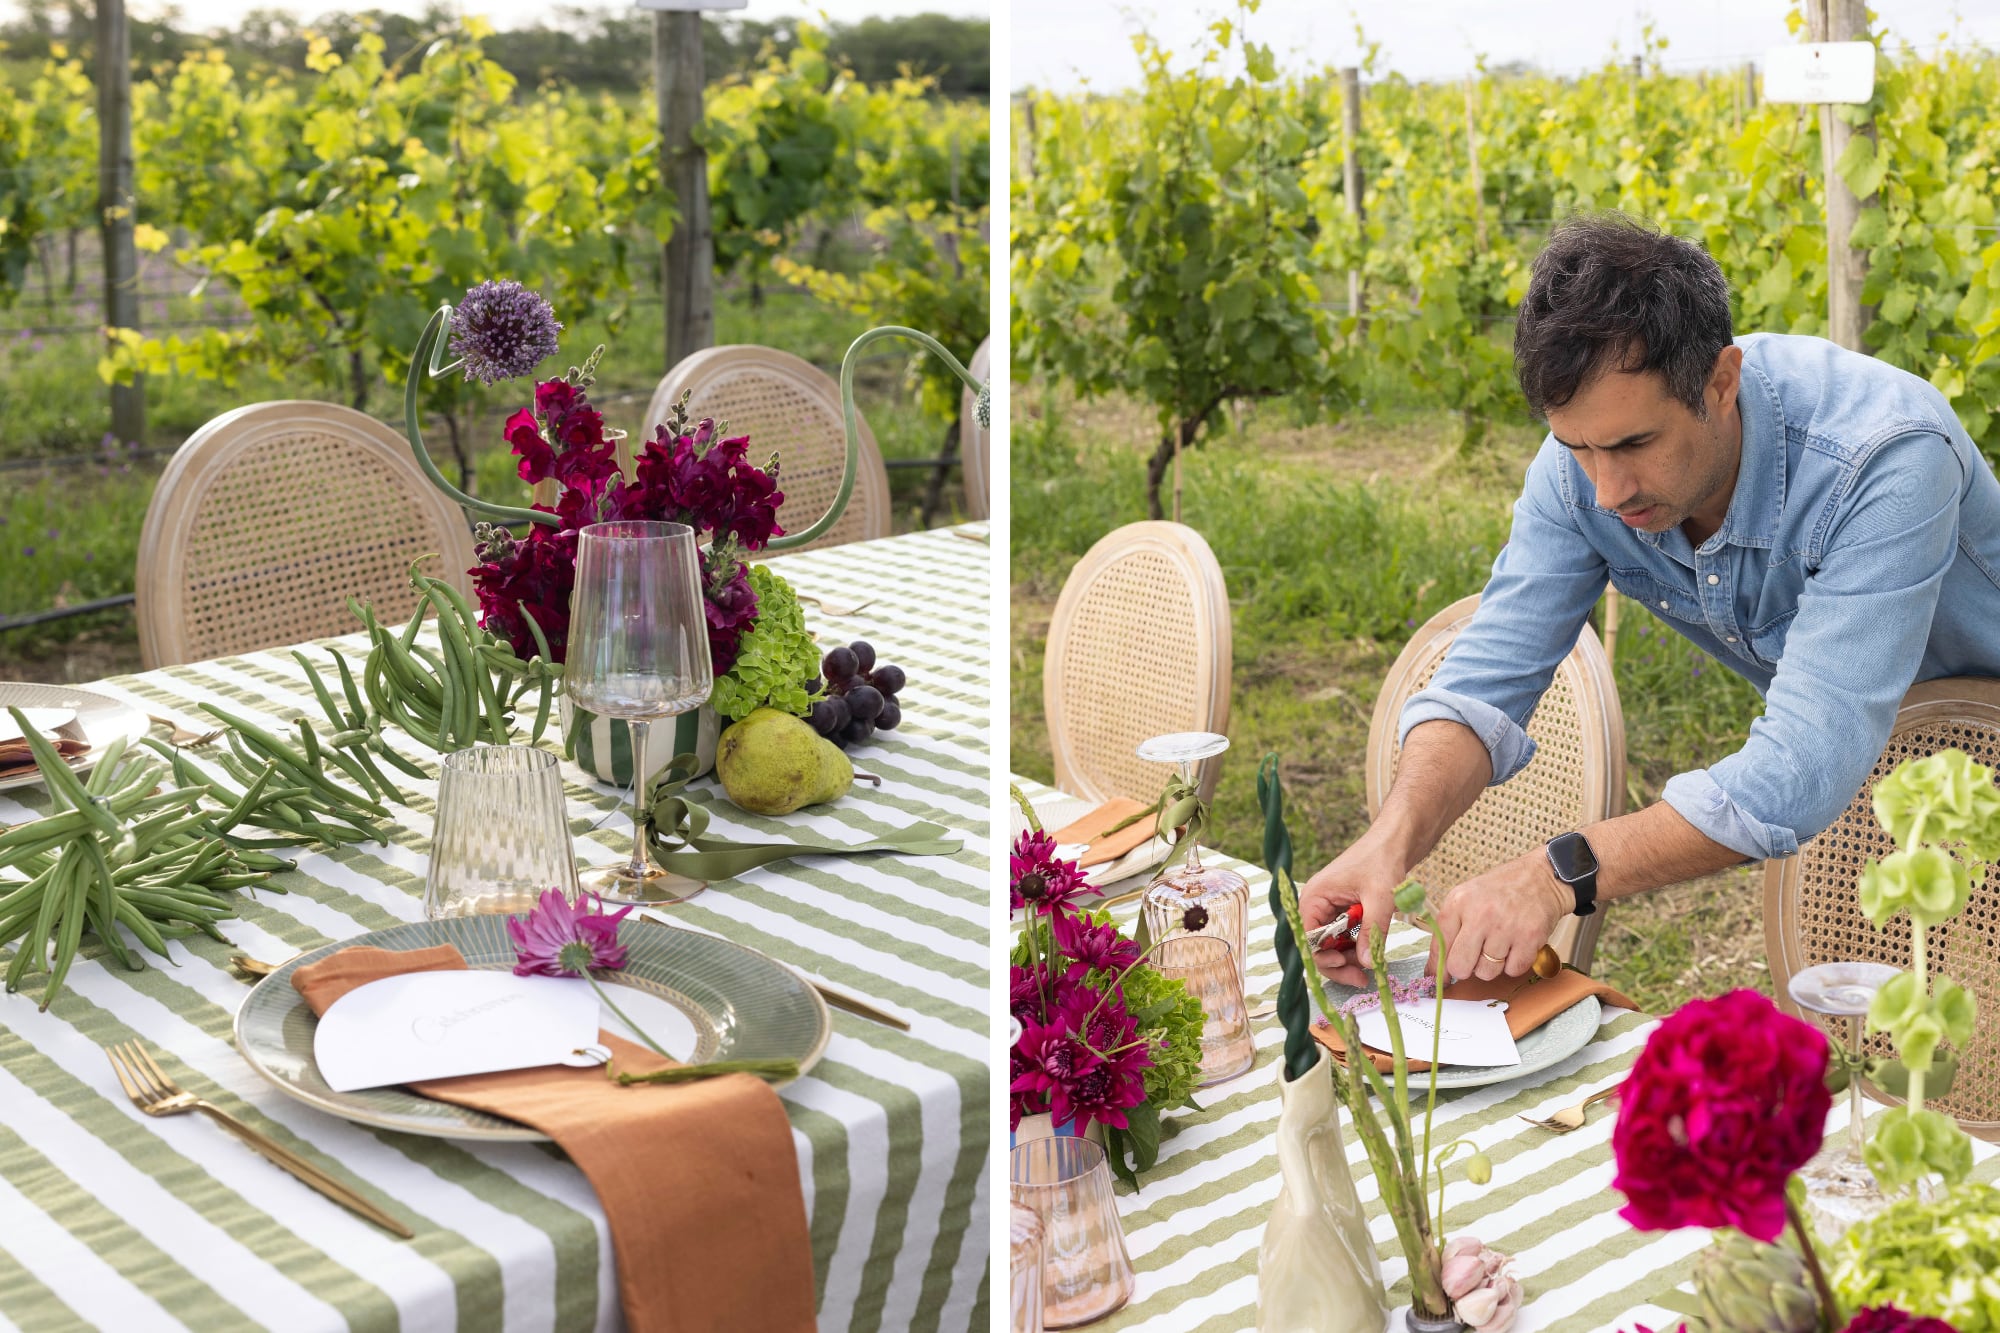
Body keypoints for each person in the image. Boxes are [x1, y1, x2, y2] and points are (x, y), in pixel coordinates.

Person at [1300, 210, 2000, 986]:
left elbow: (1802, 761)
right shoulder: (1579, 471)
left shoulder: (1885, 457)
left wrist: (1556, 874)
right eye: (1579, 447)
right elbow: (1484, 683)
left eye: (1634, 444)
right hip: (1871, 766)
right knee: (1860, 1028)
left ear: (1722, 382)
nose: (1607, 490)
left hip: (1952, 731)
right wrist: (1388, 844)